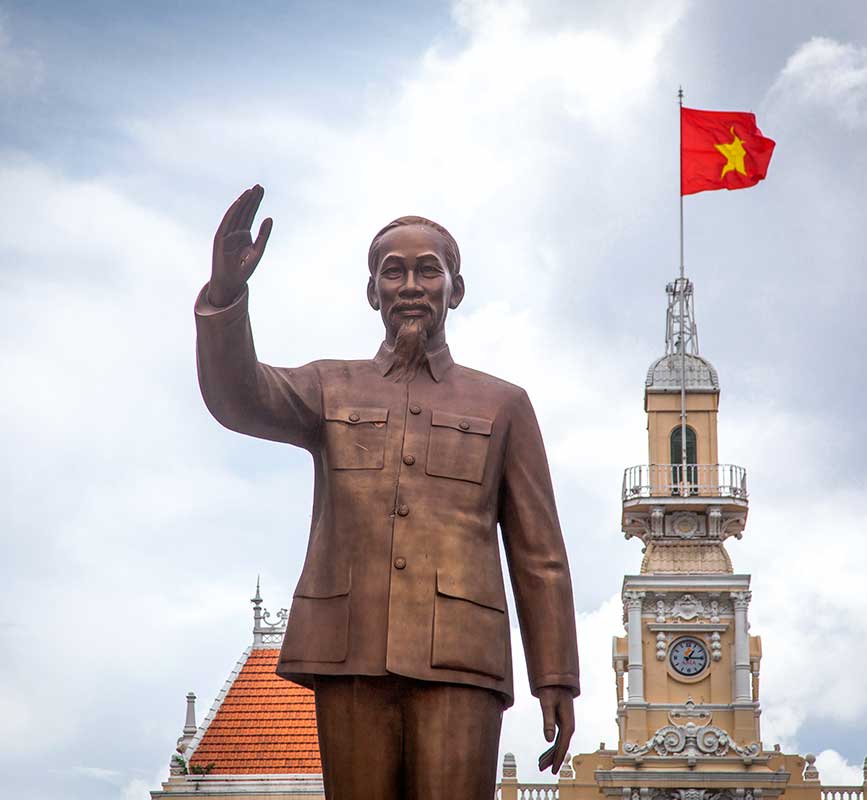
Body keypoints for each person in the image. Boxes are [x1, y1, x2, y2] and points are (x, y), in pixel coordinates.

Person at [194, 184, 579, 799]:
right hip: (349, 647)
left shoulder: (503, 404)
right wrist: (224, 295)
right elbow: (238, 396)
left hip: (463, 656)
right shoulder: (329, 387)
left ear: (456, 288)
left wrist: (554, 675)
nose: (410, 286)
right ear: (372, 292)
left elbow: (540, 554)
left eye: (428, 271)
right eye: (393, 272)